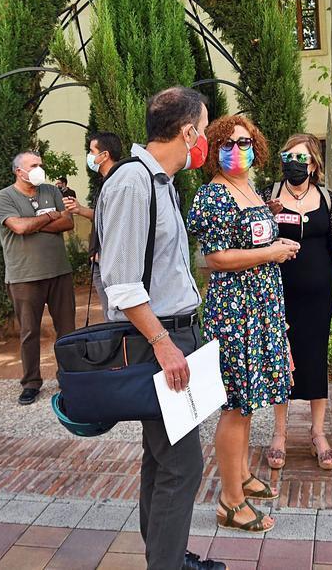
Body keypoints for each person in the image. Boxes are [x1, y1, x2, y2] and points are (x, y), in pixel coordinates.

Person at [97, 87, 224, 570]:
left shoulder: (161, 182)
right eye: (204, 129)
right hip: (157, 341)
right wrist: (164, 343)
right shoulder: (134, 183)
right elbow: (122, 283)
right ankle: (166, 564)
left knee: (161, 459)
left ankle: (165, 555)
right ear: (188, 132)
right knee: (183, 464)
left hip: (174, 335)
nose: (205, 142)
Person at [187, 115, 297, 533]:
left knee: (248, 402)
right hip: (235, 312)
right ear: (214, 148)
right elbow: (216, 258)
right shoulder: (212, 195)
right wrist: (272, 252)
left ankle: (242, 476)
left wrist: (272, 240)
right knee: (236, 405)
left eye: (246, 140)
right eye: (230, 142)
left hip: (261, 305)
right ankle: (230, 501)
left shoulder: (248, 187)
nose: (239, 148)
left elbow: (249, 239)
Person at [261, 133, 332, 471]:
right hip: (279, 295)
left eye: (301, 158)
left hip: (318, 296)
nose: (293, 164)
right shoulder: (269, 195)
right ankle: (280, 435)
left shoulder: (327, 199)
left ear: (314, 164)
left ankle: (317, 433)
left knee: (315, 360)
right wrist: (265, 216)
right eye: (288, 156)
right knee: (281, 363)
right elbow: (255, 240)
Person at [0, 152, 75, 405]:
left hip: (59, 272)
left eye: (40, 164)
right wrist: (50, 216)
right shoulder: (4, 197)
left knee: (67, 331)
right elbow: (19, 228)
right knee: (30, 332)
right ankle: (31, 383)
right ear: (19, 171)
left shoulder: (50, 190)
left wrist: (35, 222)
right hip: (24, 276)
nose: (40, 169)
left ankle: (69, 380)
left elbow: (68, 223)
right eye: (34, 165)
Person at [64, 132, 123, 308]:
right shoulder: (106, 181)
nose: (89, 156)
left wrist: (104, 254)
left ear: (104, 155)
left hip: (108, 263)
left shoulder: (117, 182)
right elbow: (103, 216)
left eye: (91, 151)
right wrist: (79, 209)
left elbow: (116, 222)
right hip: (100, 261)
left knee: (116, 317)